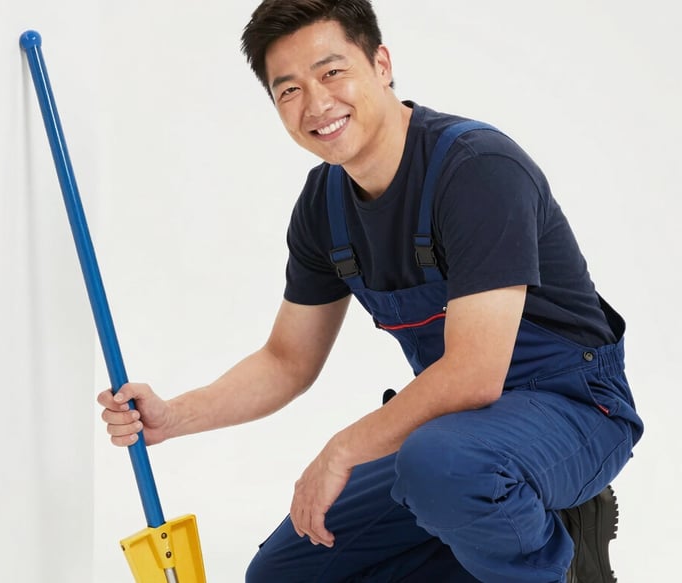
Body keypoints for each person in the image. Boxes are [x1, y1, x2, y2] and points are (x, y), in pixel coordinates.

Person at [98, 1, 644, 581]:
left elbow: (474, 373)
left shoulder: (477, 169)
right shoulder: (324, 207)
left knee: (444, 467)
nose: (316, 104)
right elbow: (287, 361)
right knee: (284, 576)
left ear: (381, 64)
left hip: (572, 409)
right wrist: (172, 417)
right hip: (459, 432)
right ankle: (534, 527)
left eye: (332, 72)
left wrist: (343, 449)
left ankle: (553, 564)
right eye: (289, 90)